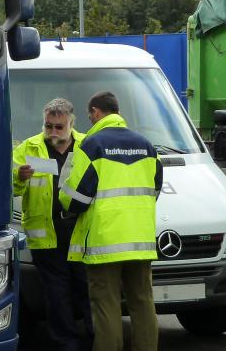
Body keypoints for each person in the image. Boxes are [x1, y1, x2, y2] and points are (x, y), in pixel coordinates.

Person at [59, 91, 163, 351]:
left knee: (106, 305)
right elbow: (155, 189)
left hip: (105, 241)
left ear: (96, 112)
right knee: (142, 301)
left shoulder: (92, 145)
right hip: (140, 239)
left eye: (90, 115)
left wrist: (64, 201)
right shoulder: (146, 145)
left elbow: (76, 197)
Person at [13, 98, 93, 351]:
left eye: (59, 127)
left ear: (71, 123)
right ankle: (66, 344)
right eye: (49, 126)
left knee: (87, 290)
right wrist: (19, 176)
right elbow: (8, 186)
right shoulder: (30, 147)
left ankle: (95, 340)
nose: (53, 132)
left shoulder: (87, 146)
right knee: (56, 295)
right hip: (46, 234)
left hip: (80, 230)